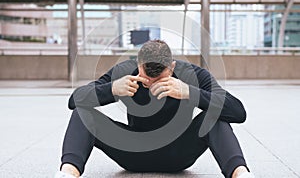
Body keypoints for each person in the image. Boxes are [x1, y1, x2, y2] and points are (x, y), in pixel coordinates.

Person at [55, 40, 254, 178]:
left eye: (159, 78)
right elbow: (75, 100)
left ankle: (240, 174)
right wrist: (111, 89)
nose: (151, 83)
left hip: (179, 153)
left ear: (172, 66)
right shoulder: (125, 71)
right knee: (82, 113)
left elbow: (238, 112)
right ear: (138, 64)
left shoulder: (192, 74)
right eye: (146, 76)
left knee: (215, 115)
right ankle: (68, 173)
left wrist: (190, 92)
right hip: (133, 152)